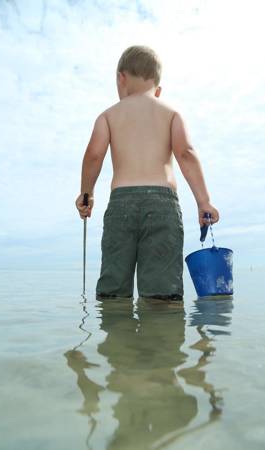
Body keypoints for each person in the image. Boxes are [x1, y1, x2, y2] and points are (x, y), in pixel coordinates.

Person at [75, 45, 219, 301]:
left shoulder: (108, 116)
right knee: (162, 293)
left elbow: (93, 155)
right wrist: (203, 202)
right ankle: (160, 333)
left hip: (121, 206)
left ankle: (116, 332)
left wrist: (87, 194)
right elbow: (186, 153)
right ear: (158, 89)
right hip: (162, 205)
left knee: (113, 291)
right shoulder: (171, 114)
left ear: (121, 78)